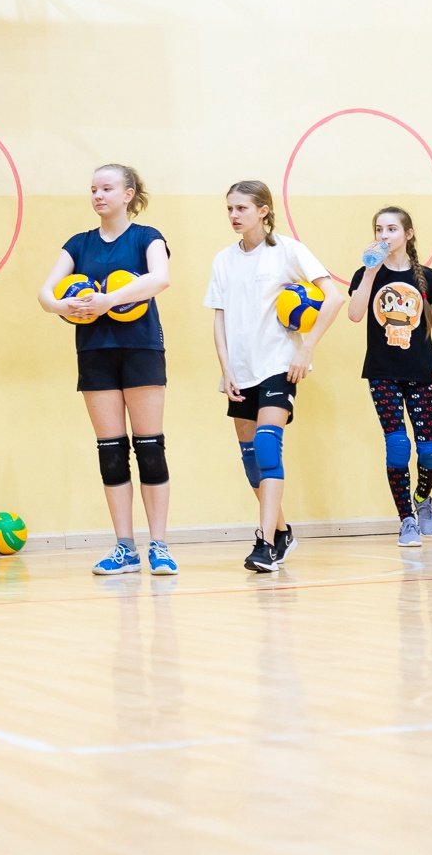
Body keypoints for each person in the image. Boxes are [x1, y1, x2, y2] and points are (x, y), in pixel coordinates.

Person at [37, 163, 177, 576]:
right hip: (95, 351)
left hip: (141, 349)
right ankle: (124, 548)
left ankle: (159, 545)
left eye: (107, 188)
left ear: (128, 194)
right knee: (111, 452)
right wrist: (62, 306)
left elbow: (160, 279)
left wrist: (108, 301)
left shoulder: (147, 237)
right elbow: (45, 292)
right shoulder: (78, 244)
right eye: (94, 189)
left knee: (149, 447)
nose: (98, 195)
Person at [204, 180, 344, 575]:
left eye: (242, 208)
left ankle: (264, 543)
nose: (234, 215)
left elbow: (333, 298)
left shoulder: (288, 251)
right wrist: (225, 369)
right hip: (239, 372)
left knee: (267, 447)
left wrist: (307, 347)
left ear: (263, 210)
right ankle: (282, 531)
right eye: (230, 208)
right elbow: (219, 319)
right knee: (251, 461)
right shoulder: (223, 260)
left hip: (279, 365)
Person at [345, 207, 432, 547]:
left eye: (391, 229)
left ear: (408, 234)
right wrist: (371, 272)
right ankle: (406, 520)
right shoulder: (366, 273)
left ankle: (422, 498)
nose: (384, 235)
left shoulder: (428, 278)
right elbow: (355, 314)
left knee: (431, 452)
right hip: (383, 373)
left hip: (421, 372)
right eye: (379, 229)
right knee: (398, 445)